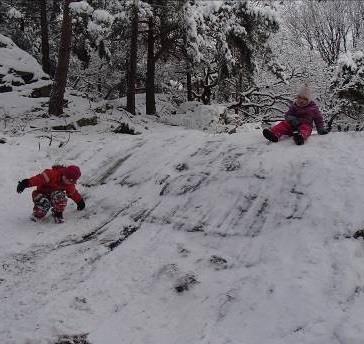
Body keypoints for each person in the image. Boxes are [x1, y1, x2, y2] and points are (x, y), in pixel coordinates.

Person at [17, 165, 85, 223]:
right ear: (64, 174)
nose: (67, 181)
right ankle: (37, 214)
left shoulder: (69, 184)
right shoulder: (52, 174)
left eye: (71, 181)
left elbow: (73, 193)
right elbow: (38, 179)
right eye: (67, 178)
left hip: (55, 197)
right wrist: (25, 183)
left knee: (61, 198)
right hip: (41, 194)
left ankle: (57, 213)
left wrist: (79, 201)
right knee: (43, 203)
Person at [262, 84, 328, 145]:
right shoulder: (294, 106)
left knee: (306, 129)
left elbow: (318, 119)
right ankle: (274, 134)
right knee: (283, 124)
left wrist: (320, 129)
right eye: (299, 97)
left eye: (305, 99)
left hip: (305, 125)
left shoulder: (313, 109)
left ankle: (300, 137)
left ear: (309, 100)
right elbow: (287, 115)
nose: (301, 100)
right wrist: (292, 119)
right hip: (293, 125)